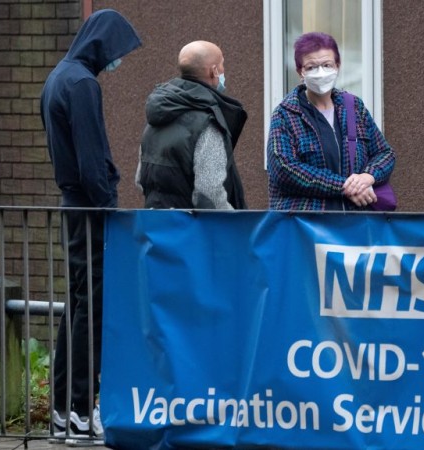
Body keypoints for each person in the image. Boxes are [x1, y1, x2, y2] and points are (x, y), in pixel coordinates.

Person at [40, 9, 141, 445]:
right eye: (117, 51)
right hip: (90, 209)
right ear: (102, 46)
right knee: (92, 311)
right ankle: (82, 411)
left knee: (78, 308)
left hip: (73, 205)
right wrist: (107, 206)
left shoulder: (58, 78)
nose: (117, 61)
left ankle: (64, 411)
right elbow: (91, 160)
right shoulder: (83, 84)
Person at [267, 32, 395, 211]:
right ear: (300, 72)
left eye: (327, 65)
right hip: (306, 222)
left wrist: (367, 177)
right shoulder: (285, 114)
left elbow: (385, 153)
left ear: (337, 66)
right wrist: (344, 186)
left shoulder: (354, 107)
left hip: (354, 220)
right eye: (311, 67)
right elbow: (284, 170)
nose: (320, 72)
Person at [136, 40, 248, 209]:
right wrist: (235, 221)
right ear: (214, 71)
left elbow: (140, 180)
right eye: (222, 64)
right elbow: (210, 194)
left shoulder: (156, 117)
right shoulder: (206, 123)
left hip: (157, 221)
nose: (224, 71)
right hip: (195, 224)